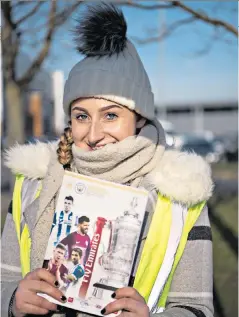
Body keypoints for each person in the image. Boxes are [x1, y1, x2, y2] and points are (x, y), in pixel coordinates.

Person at [1, 3, 214, 317]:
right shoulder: (32, 182)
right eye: (82, 115)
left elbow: (197, 308)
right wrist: (13, 299)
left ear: (139, 118)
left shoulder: (181, 193)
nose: (93, 134)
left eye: (111, 115)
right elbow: (4, 279)